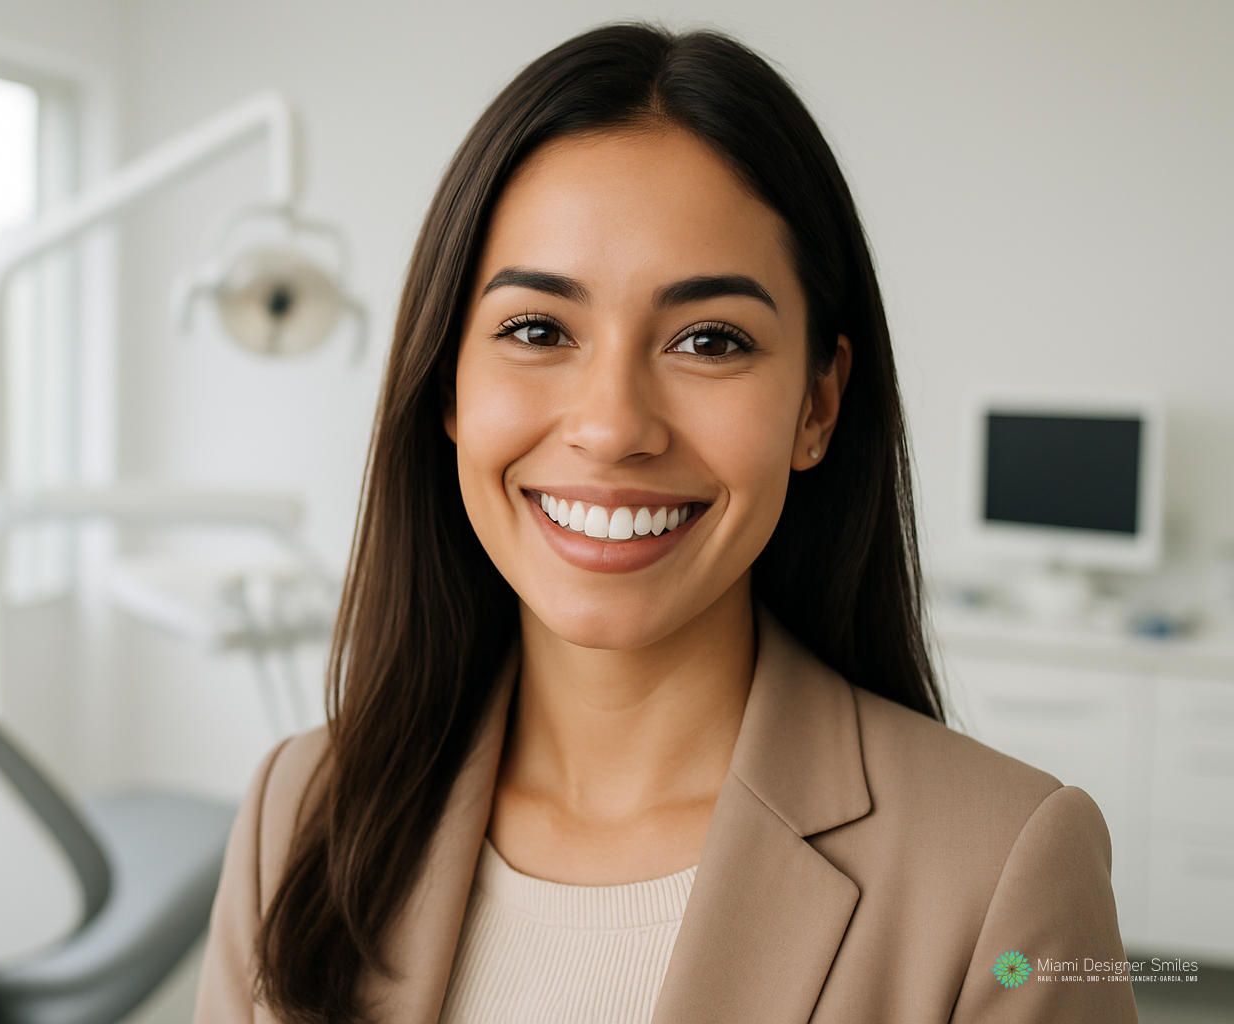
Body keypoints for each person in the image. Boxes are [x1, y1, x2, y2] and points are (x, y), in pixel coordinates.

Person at [194, 23, 1136, 1024]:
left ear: (817, 404)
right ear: (450, 388)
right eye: (537, 329)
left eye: (710, 339)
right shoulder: (300, 811)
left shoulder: (1003, 867)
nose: (611, 428)